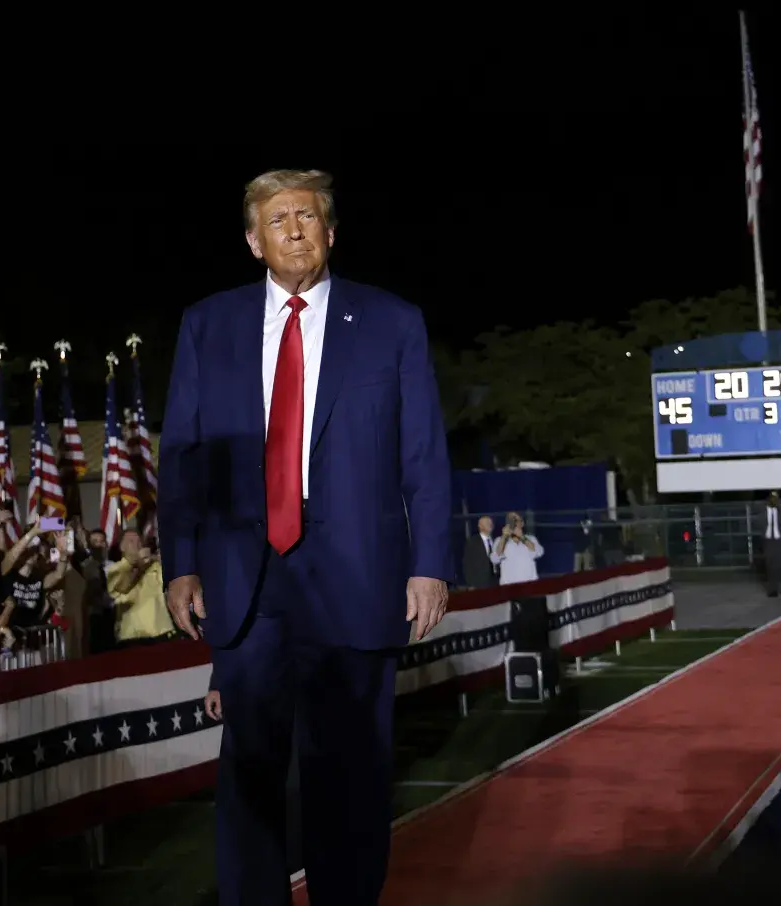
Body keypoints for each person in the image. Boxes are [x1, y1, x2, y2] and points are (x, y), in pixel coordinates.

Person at [159, 168, 454, 906]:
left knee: (349, 771)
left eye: (308, 215)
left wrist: (430, 565)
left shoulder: (392, 321)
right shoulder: (207, 323)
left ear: (331, 231)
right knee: (251, 772)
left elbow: (423, 453)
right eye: (278, 218)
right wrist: (182, 562)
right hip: (245, 583)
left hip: (357, 574)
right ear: (254, 240)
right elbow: (183, 455)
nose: (294, 228)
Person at [491, 512, 544, 585]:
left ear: (522, 523)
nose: (513, 524)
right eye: (510, 521)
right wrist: (504, 537)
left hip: (530, 585)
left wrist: (522, 537)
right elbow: (495, 559)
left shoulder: (531, 538)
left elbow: (539, 552)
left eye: (515, 520)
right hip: (508, 587)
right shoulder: (499, 540)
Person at [761, 492, 781, 596]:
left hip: (780, 541)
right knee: (770, 566)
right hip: (769, 541)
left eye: (776, 498)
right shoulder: (763, 512)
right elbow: (759, 525)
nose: (774, 500)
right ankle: (773, 589)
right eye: (772, 498)